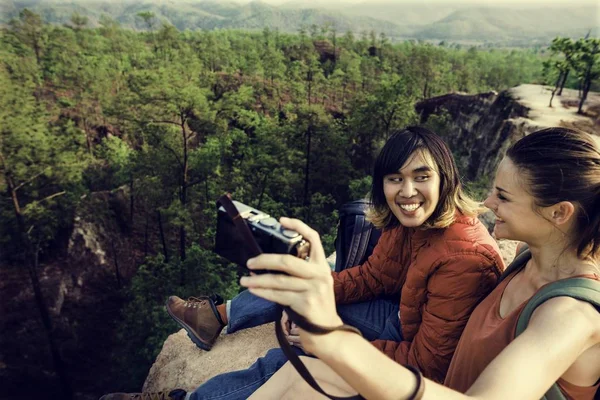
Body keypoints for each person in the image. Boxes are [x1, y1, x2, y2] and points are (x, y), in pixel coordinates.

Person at [100, 126, 504, 400]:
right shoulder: (413, 220)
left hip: (418, 348)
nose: (407, 190)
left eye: (421, 176)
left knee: (298, 357)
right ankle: (217, 315)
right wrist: (311, 297)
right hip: (406, 316)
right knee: (303, 281)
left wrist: (329, 338)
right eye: (395, 178)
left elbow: (425, 366)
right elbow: (373, 276)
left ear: (445, 179)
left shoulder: (463, 256)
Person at [243, 127, 600, 400]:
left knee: (305, 370)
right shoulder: (530, 256)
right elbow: (376, 274)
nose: (488, 202)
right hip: (436, 383)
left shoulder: (571, 316)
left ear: (559, 213)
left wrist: (333, 338)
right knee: (297, 372)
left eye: (503, 196)